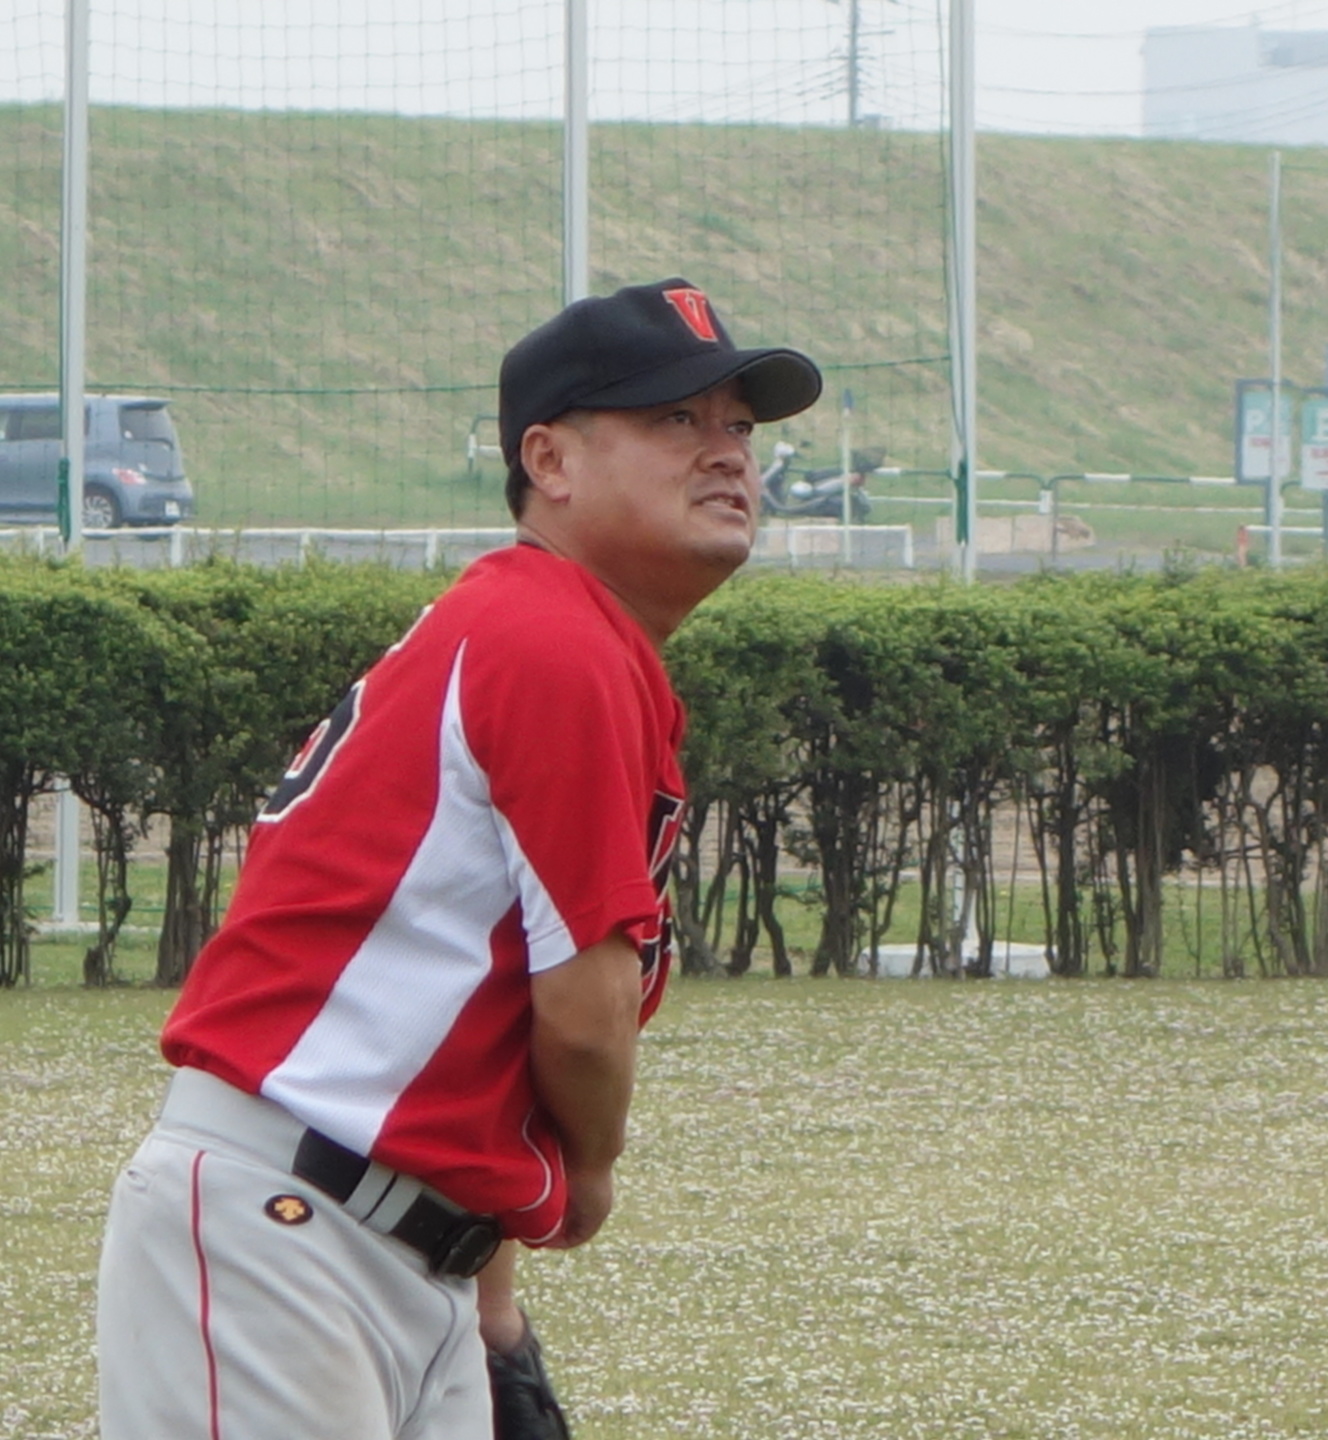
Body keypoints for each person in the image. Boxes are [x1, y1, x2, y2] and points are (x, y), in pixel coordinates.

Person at [95, 279, 822, 1440]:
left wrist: (491, 1301)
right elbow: (580, 1017)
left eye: (739, 424)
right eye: (675, 418)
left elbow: (451, 995)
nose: (728, 452)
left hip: (388, 1244)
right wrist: (588, 1175)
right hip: (283, 1235)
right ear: (550, 460)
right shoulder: (552, 644)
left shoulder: (553, 635)